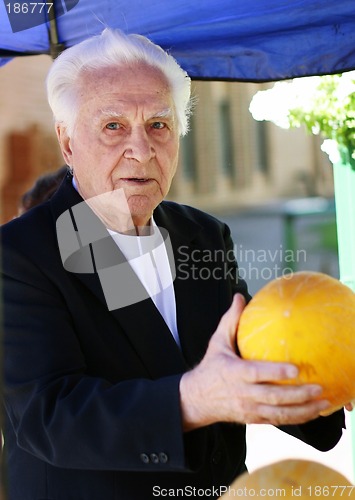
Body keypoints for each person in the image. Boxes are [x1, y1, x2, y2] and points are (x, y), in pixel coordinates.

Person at [1, 29, 346, 500]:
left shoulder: (203, 235)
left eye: (159, 125)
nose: (141, 150)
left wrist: (324, 378)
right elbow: (48, 417)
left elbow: (244, 358)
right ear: (66, 143)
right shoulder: (20, 253)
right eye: (113, 126)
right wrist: (195, 398)